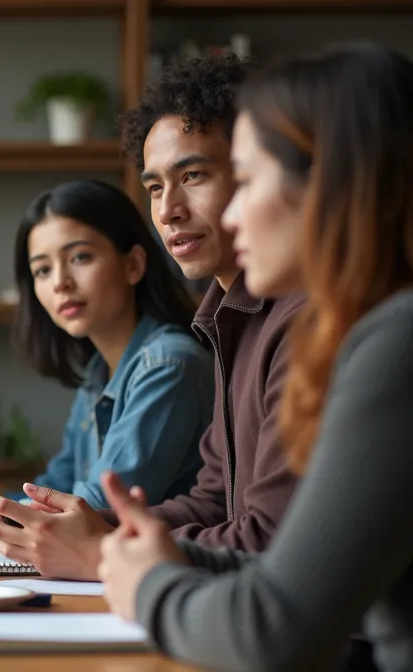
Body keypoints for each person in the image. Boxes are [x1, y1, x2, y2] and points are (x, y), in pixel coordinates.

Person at [97, 43, 413, 672]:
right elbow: (288, 566)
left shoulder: (396, 342)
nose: (233, 216)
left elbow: (277, 629)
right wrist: (131, 548)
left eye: (247, 180)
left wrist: (148, 586)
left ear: (330, 183)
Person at [0, 53, 305, 580]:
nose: (168, 209)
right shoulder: (224, 321)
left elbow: (268, 538)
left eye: (192, 175)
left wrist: (104, 551)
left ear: (253, 173)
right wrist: (99, 528)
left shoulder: (299, 322)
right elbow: (213, 501)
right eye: (154, 187)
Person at [0, 180, 212, 522]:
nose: (60, 282)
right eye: (43, 270)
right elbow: (55, 487)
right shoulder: (98, 372)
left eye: (79, 257)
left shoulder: (168, 365)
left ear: (133, 265)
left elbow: (90, 508)